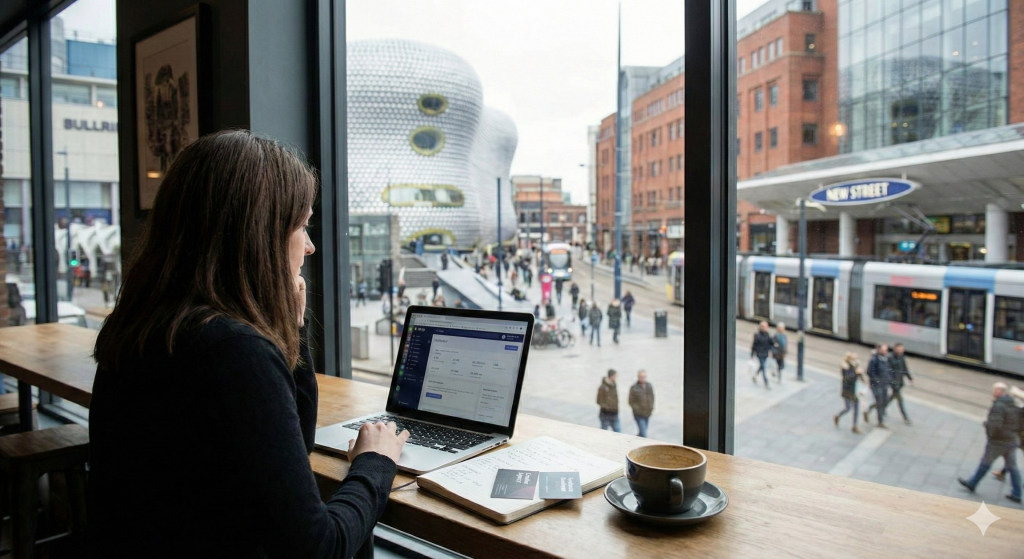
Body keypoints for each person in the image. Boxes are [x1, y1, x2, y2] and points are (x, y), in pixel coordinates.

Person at [88, 131, 409, 556]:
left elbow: (297, 437)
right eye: (302, 225)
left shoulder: (144, 326)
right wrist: (377, 462)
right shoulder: (232, 353)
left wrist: (289, 329)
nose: (310, 246)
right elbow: (320, 548)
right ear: (261, 234)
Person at [958, 382, 1023, 504]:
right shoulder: (1014, 404)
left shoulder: (998, 406)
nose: (993, 392)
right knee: (1013, 467)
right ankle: (1017, 493)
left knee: (985, 462)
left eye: (994, 390)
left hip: (999, 441)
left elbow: (994, 426)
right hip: (1012, 440)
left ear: (999, 392)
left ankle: (972, 483)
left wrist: (989, 432)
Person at [834, 353, 866, 434]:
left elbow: (860, 378)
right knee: (848, 408)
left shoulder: (856, 366)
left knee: (856, 407)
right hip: (847, 390)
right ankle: (838, 416)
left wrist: (861, 374)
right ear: (850, 359)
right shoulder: (845, 367)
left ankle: (855, 426)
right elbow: (848, 378)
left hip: (855, 391)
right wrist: (856, 372)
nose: (856, 361)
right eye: (854, 359)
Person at [864, 344, 893, 428]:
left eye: (886, 350)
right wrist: (877, 381)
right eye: (884, 350)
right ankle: (880, 421)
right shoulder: (874, 359)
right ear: (879, 350)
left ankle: (869, 409)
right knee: (880, 402)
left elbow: (888, 370)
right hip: (876, 385)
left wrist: (890, 380)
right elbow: (869, 372)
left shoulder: (886, 359)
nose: (886, 351)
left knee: (885, 400)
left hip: (884, 384)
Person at [886, 342, 914, 425]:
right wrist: (891, 382)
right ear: (895, 349)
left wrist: (910, 378)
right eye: (899, 349)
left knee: (892, 397)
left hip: (900, 382)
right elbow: (888, 371)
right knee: (900, 400)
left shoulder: (902, 357)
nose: (901, 350)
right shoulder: (890, 357)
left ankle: (879, 407)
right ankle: (905, 418)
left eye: (902, 349)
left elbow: (905, 368)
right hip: (894, 383)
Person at [628, 370, 655, 438]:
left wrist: (651, 407)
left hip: (647, 413)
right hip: (639, 414)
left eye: (644, 377)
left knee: (643, 432)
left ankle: (637, 440)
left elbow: (652, 397)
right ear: (638, 377)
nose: (643, 378)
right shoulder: (634, 387)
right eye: (641, 377)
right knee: (644, 433)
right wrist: (637, 409)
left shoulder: (649, 386)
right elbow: (630, 401)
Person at [750, 321, 774, 389]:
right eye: (763, 326)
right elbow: (754, 345)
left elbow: (771, 343)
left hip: (765, 354)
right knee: (763, 367)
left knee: (761, 366)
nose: (764, 328)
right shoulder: (757, 335)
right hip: (759, 353)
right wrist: (752, 355)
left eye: (766, 326)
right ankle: (766, 382)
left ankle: (755, 375)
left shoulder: (768, 335)